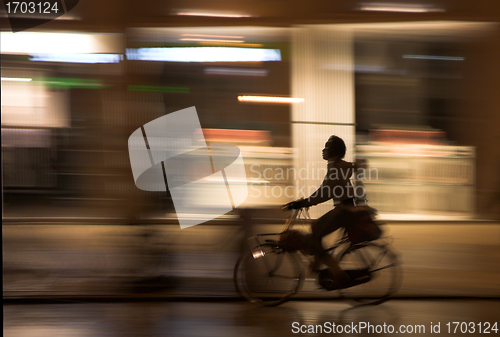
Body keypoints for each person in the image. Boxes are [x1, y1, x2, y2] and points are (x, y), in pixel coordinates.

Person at [285, 135, 364, 289]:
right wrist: (305, 202)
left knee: (316, 233)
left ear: (334, 150)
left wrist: (303, 202)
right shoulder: (336, 166)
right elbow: (326, 190)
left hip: (345, 211)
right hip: (343, 209)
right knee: (315, 229)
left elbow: (324, 193)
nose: (323, 150)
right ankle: (318, 262)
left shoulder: (337, 168)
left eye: (327, 147)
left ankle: (338, 273)